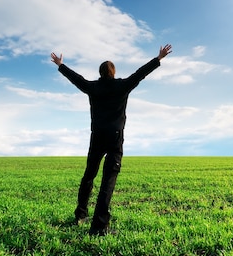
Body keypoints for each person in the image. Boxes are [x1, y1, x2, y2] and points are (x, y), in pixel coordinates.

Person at [50, 44, 172, 236]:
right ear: (113, 72)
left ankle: (81, 215)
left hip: (97, 136)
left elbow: (77, 79)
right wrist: (158, 58)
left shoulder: (93, 87)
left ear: (100, 73)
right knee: (108, 181)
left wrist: (61, 65)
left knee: (89, 175)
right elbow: (140, 74)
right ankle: (99, 226)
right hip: (115, 138)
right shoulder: (122, 85)